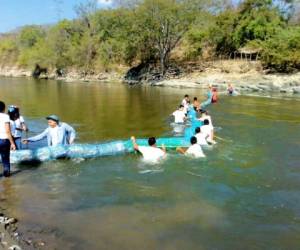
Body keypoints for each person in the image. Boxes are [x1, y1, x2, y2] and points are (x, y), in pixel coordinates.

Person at [0, 101, 16, 177]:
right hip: (4, 140)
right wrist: (12, 143)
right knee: (5, 159)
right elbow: (7, 130)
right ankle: (7, 181)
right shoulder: (6, 116)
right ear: (3, 108)